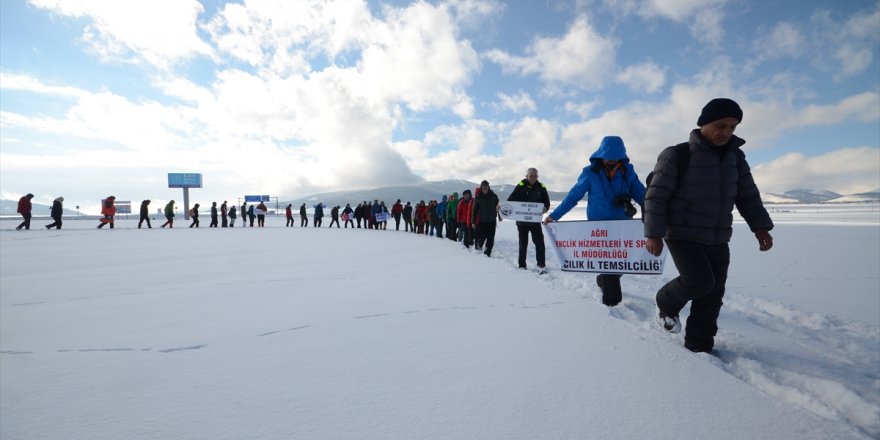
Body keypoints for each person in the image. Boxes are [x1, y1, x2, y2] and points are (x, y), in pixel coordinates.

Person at [644, 98, 774, 354]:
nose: (727, 132)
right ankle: (666, 300)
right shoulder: (677, 154)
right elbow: (656, 196)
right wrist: (654, 233)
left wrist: (760, 227)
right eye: (721, 125)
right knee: (700, 282)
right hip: (681, 232)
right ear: (703, 124)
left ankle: (699, 345)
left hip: (718, 235)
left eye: (733, 127)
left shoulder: (736, 158)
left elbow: (747, 195)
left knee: (713, 295)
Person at [544, 139, 646, 304]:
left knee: (623, 262)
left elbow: (642, 195)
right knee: (610, 265)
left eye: (616, 157)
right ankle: (612, 304)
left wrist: (660, 212)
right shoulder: (590, 173)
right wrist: (554, 216)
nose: (612, 161)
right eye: (609, 157)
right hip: (599, 229)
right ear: (601, 155)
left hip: (623, 227)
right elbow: (573, 196)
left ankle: (602, 279)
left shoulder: (628, 172)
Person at [509, 168, 552, 273]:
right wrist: (502, 207)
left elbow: (546, 202)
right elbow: (511, 201)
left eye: (535, 175)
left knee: (540, 243)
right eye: (531, 175)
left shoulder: (541, 187)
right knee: (523, 244)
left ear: (537, 177)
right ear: (526, 176)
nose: (533, 177)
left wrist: (545, 208)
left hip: (535, 221)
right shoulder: (520, 186)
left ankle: (541, 266)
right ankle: (522, 265)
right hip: (522, 222)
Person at [472, 181, 501, 257]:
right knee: (482, 237)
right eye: (483, 186)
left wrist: (500, 215)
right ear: (481, 187)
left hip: (492, 221)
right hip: (482, 221)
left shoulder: (494, 196)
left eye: (486, 186)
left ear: (488, 187)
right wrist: (473, 222)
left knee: (491, 238)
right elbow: (474, 210)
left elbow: (498, 207)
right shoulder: (478, 197)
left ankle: (487, 253)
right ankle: (479, 245)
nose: (485, 187)